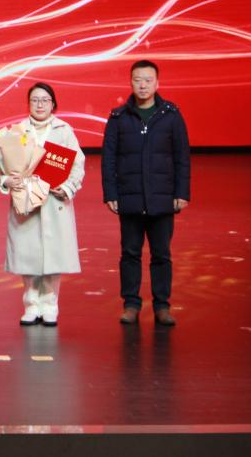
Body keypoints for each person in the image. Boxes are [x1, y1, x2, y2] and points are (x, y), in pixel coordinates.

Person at [101, 60, 190, 326]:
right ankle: (131, 304)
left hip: (162, 198)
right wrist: (111, 193)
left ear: (157, 83)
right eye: (138, 80)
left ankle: (162, 306)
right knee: (130, 253)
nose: (143, 85)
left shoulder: (171, 116)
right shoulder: (118, 118)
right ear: (131, 82)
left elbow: (182, 158)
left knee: (162, 254)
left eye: (148, 80)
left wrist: (182, 192)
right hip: (130, 197)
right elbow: (108, 159)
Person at [0, 83, 84, 327]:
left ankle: (50, 304)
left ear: (53, 104)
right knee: (28, 254)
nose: (39, 104)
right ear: (28, 103)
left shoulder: (64, 130)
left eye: (45, 100)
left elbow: (77, 164)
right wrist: (7, 181)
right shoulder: (18, 131)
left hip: (54, 201)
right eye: (35, 100)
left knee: (53, 255)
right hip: (26, 201)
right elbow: (4, 165)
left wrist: (67, 187)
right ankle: (31, 304)